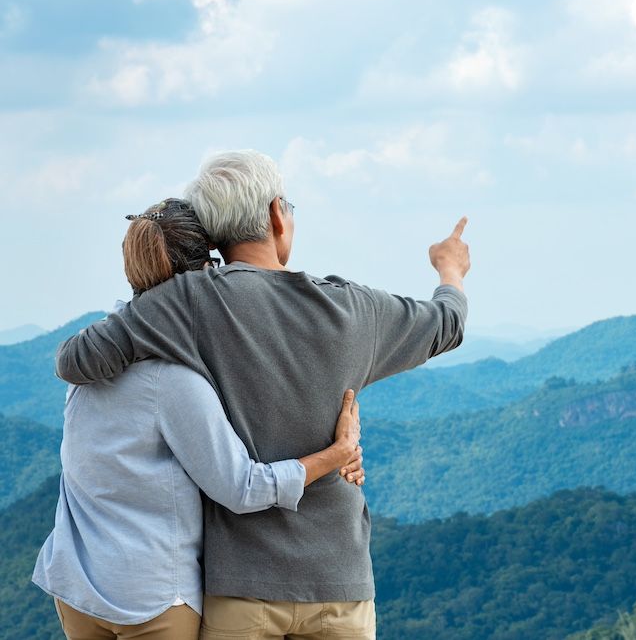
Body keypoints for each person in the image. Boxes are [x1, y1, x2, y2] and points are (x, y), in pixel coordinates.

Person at [55, 149, 471, 639]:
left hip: (240, 588)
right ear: (278, 213)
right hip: (339, 579)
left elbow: (77, 361)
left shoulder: (187, 301)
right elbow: (448, 325)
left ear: (213, 233)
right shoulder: (357, 310)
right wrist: (450, 271)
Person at [34, 199, 366, 640]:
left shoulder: (92, 356)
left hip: (76, 584)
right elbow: (242, 488)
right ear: (205, 271)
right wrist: (336, 454)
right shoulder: (172, 380)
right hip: (151, 599)